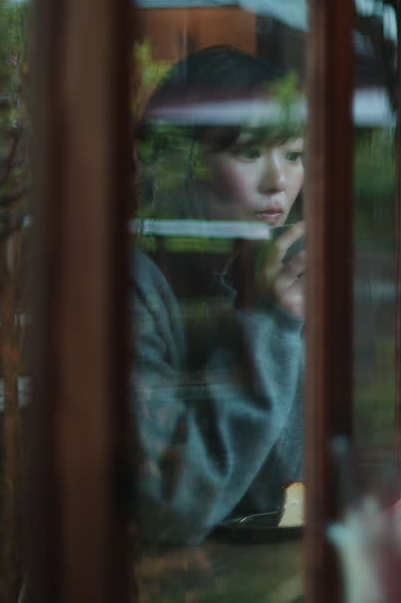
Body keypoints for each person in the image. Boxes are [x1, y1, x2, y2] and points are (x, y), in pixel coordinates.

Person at [131, 45, 307, 545]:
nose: (278, 181)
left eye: (293, 154)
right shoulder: (130, 287)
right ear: (174, 161)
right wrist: (268, 322)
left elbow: (283, 490)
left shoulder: (249, 273)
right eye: (249, 152)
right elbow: (171, 507)